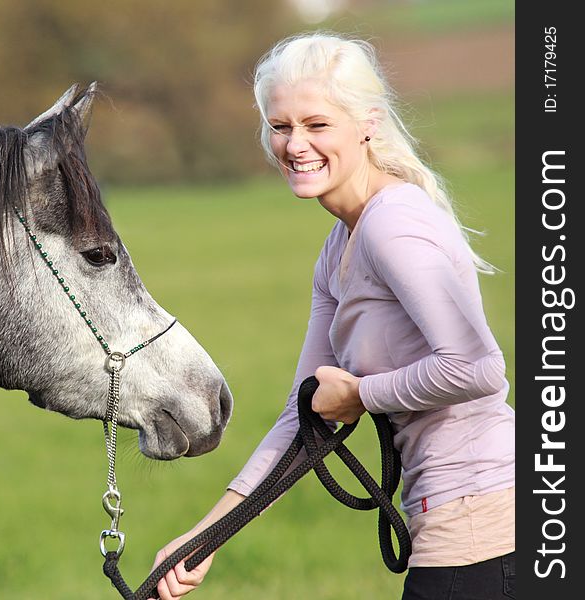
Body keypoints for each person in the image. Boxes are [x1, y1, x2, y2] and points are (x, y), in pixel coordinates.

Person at [149, 32, 515, 600]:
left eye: (317, 125)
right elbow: (305, 415)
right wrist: (206, 537)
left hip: (484, 525)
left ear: (367, 123)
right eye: (281, 126)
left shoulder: (392, 225)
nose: (296, 144)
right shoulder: (340, 246)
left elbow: (478, 368)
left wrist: (361, 395)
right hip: (453, 523)